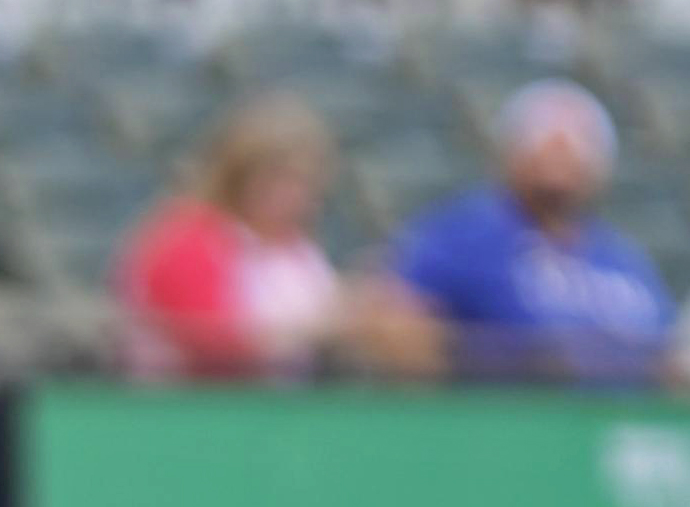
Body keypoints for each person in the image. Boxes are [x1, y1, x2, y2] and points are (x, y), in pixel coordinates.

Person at [351, 81, 675, 385]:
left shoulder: (623, 261)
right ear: (511, 152)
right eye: (543, 137)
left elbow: (666, 351)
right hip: (503, 422)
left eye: (579, 143)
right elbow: (394, 313)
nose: (560, 151)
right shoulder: (463, 236)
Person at [114, 96, 342, 377]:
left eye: (305, 182)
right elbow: (211, 346)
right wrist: (315, 332)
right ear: (239, 176)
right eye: (280, 179)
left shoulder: (299, 250)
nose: (296, 195)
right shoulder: (187, 240)